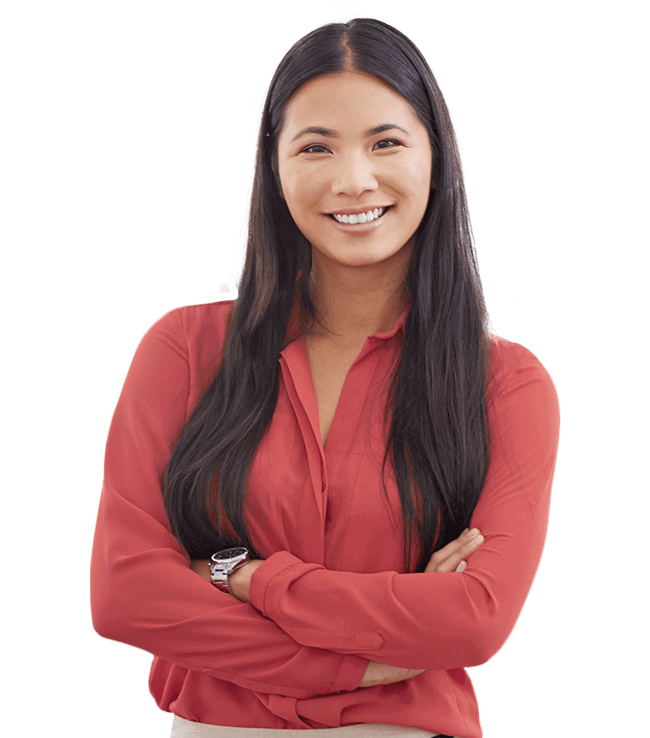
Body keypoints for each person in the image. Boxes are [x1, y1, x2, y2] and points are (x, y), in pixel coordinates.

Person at [90, 16, 560, 738]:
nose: (353, 180)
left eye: (386, 142)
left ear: (437, 156)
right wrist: (371, 659)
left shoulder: (507, 383)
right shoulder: (182, 348)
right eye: (316, 146)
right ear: (273, 169)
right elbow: (125, 595)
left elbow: (477, 621)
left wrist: (242, 576)